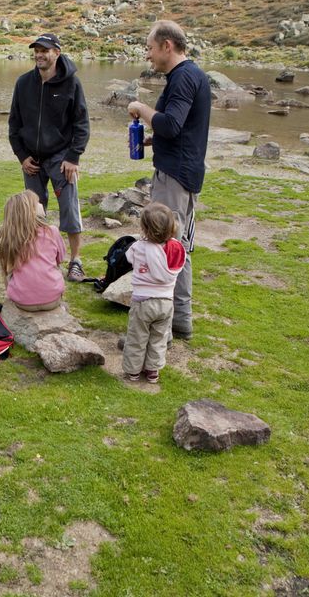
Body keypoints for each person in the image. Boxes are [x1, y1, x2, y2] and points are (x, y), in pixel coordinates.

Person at [126, 20, 210, 340]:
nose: (147, 55)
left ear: (166, 46)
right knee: (175, 245)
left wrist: (140, 107)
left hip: (177, 176)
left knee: (170, 247)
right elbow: (177, 130)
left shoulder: (185, 77)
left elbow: (172, 124)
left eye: (149, 48)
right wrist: (152, 141)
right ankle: (176, 320)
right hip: (177, 169)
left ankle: (171, 324)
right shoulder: (185, 76)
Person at [8, 32, 90, 282]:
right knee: (32, 212)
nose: (39, 55)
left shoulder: (72, 84)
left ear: (57, 52)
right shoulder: (23, 83)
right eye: (37, 50)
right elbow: (14, 124)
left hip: (61, 158)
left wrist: (73, 157)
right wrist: (22, 156)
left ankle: (75, 261)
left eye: (45, 50)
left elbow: (82, 124)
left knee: (69, 208)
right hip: (31, 160)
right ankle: (35, 259)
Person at [121, 203, 186, 384]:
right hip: (166, 302)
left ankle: (133, 371)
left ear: (145, 228)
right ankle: (152, 371)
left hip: (143, 301)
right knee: (159, 337)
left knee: (137, 337)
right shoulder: (177, 248)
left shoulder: (139, 247)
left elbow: (128, 258)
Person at [0, 190, 66, 312]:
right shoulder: (52, 231)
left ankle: (17, 294)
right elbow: (60, 259)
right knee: (56, 267)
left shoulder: (9, 238)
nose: (41, 204)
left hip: (22, 302)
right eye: (38, 202)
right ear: (30, 210)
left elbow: (7, 270)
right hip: (52, 299)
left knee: (7, 270)